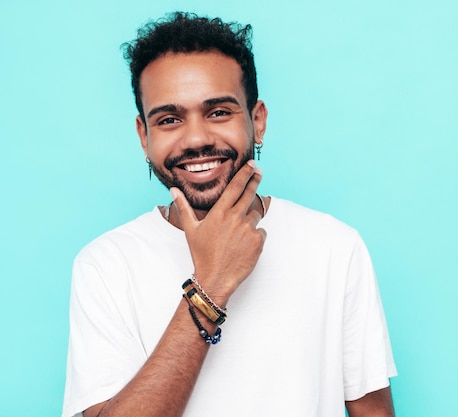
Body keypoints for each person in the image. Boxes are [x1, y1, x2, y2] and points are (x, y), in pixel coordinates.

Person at [63, 11, 396, 417]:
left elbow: (374, 413)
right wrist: (210, 284)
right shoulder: (104, 265)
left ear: (257, 121)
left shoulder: (334, 246)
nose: (198, 138)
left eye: (219, 112)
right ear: (143, 136)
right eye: (169, 120)